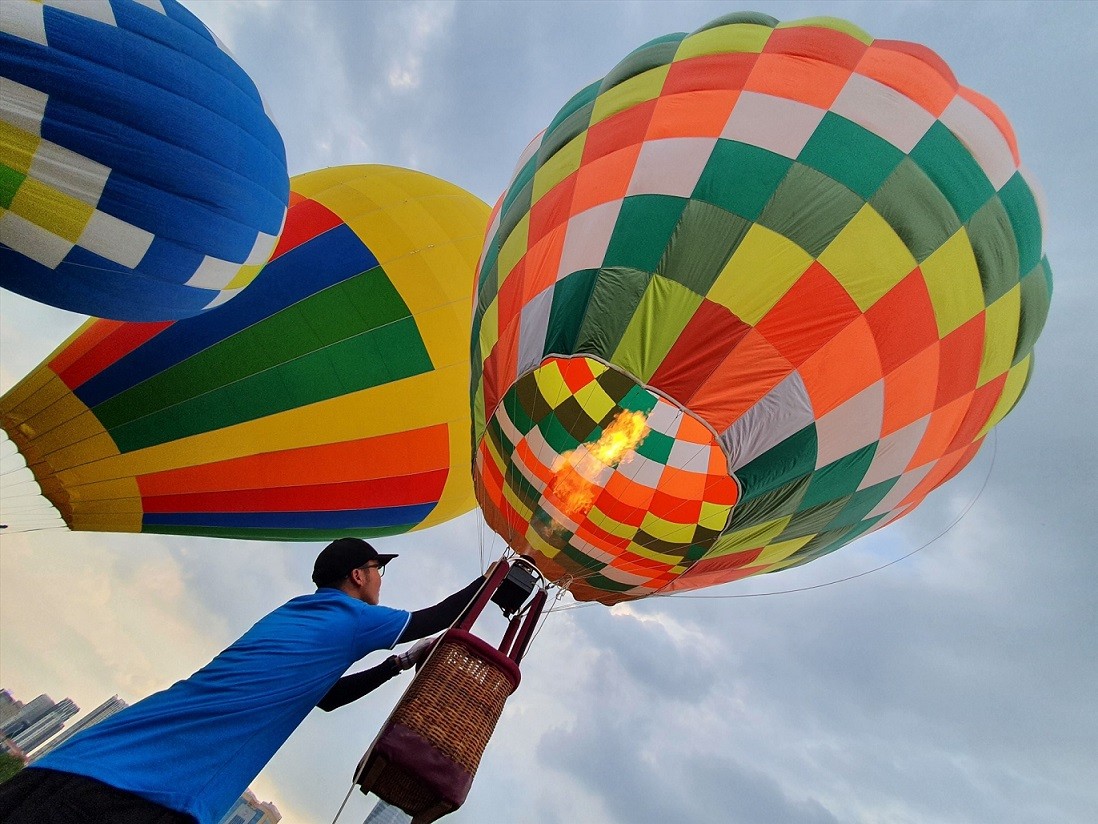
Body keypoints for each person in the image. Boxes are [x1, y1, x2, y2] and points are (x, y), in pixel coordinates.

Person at [0, 538, 488, 824]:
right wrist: (499, 575)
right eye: (380, 571)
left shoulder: (300, 616)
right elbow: (437, 617)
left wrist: (400, 664)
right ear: (359, 576)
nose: (383, 582)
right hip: (150, 794)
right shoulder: (351, 618)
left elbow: (326, 699)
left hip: (75, 765)